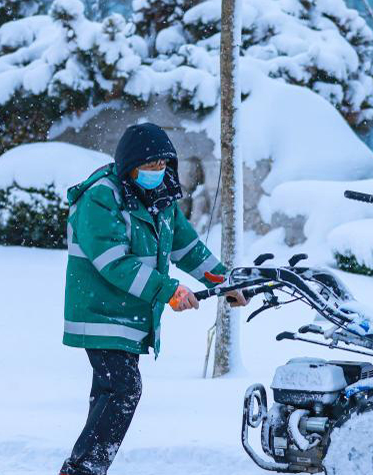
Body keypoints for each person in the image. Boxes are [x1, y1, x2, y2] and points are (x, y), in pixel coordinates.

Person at [59, 123, 247, 475]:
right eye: (149, 167)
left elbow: (186, 246)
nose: (156, 173)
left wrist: (224, 280)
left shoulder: (161, 196)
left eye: (162, 167)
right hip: (99, 312)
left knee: (111, 394)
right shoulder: (101, 197)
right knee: (124, 389)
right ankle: (83, 470)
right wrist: (169, 290)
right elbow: (114, 262)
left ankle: (84, 468)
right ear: (129, 164)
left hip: (128, 315)